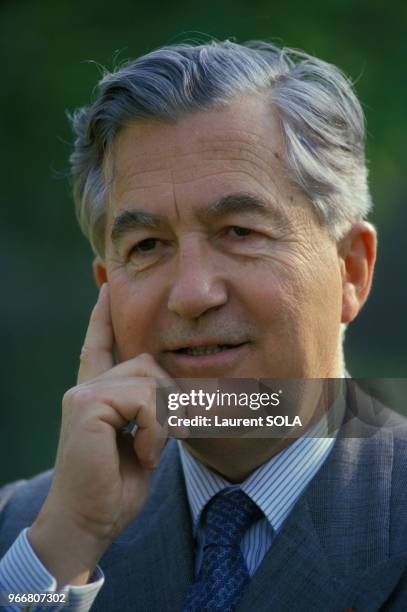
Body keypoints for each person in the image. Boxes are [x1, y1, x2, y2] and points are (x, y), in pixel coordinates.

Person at [0, 39, 406, 612]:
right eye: (147, 246)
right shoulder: (32, 538)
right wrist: (65, 549)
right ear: (107, 294)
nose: (192, 294)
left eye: (240, 232)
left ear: (351, 272)